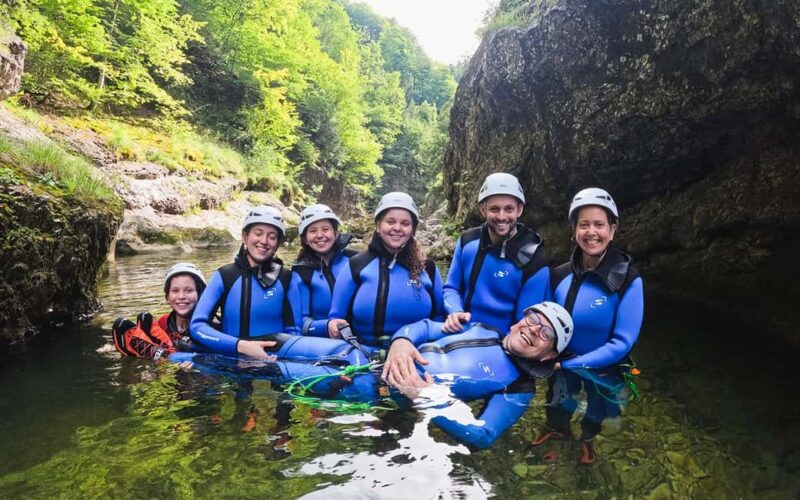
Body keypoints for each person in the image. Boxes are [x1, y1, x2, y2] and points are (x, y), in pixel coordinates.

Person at [170, 301, 575, 449]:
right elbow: (424, 327)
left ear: (550, 352)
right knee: (276, 341)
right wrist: (401, 340)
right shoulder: (483, 327)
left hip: (372, 385)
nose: (531, 329)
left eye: (544, 332)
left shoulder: (518, 387)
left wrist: (427, 399)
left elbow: (485, 436)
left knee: (267, 369)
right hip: (364, 353)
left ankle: (167, 360)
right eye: (532, 318)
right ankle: (184, 341)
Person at [534, 187, 644, 464]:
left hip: (602, 365)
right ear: (574, 230)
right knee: (558, 400)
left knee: (598, 410)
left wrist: (568, 364)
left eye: (599, 224)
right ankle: (557, 431)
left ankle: (588, 440)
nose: (591, 232)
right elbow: (544, 322)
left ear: (613, 229)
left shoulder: (629, 280)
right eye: (584, 225)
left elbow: (623, 342)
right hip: (562, 360)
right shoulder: (559, 274)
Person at [327, 192, 444, 348]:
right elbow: (336, 317)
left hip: (417, 351)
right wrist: (333, 324)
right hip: (364, 353)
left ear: (412, 229)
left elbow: (440, 318)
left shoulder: (427, 268)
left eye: (405, 223)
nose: (397, 228)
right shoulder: (356, 265)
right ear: (378, 225)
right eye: (390, 221)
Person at [442, 172, 550, 334]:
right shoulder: (467, 242)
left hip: (503, 343)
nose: (501, 216)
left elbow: (527, 322)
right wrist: (455, 312)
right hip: (462, 331)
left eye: (509, 209)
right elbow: (451, 288)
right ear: (482, 209)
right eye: (494, 209)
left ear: (519, 210)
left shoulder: (534, 259)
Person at [190, 205, 301, 359]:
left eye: (272, 236)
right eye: (258, 233)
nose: (264, 241)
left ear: (278, 243)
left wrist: (281, 360)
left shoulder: (287, 278)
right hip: (231, 362)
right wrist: (239, 346)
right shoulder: (224, 276)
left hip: (272, 362)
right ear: (245, 237)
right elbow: (197, 327)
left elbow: (294, 331)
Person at [112, 262, 207, 360]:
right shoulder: (164, 322)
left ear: (200, 295)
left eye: (188, 290)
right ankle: (163, 354)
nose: (181, 296)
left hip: (192, 367)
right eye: (175, 291)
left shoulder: (211, 329)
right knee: (143, 320)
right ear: (167, 298)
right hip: (163, 366)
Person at [291, 204, 357, 337]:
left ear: (336, 232)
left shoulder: (355, 261)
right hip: (323, 342)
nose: (320, 235)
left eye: (325, 229)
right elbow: (300, 323)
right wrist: (326, 326)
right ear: (305, 238)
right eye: (313, 231)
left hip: (361, 338)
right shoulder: (301, 273)